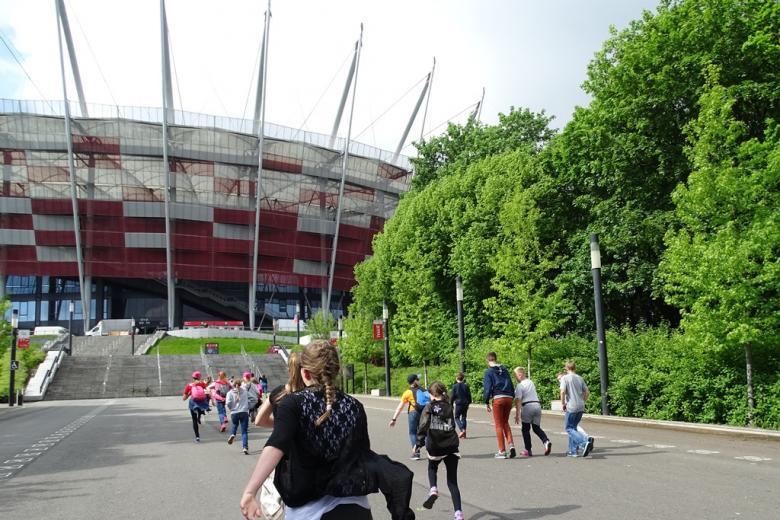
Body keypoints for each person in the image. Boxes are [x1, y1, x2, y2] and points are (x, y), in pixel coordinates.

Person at [240, 340, 375, 519]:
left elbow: (276, 445)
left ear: (304, 372)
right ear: (336, 371)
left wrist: (250, 491)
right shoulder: (355, 406)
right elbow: (362, 455)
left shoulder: (294, 402)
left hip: (311, 510)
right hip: (356, 507)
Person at [417, 381, 463, 520]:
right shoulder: (449, 406)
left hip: (436, 446)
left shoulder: (429, 407)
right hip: (451, 445)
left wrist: (419, 443)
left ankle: (433, 489)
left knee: (432, 468)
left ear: (431, 394)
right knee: (452, 482)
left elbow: (424, 425)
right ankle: (458, 514)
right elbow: (452, 425)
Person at [255, 352, 304, 429]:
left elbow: (259, 421)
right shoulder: (313, 394)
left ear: (288, 370)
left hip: (282, 438)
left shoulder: (278, 392)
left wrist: (281, 424)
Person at [482, 352, 516, 458]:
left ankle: (502, 451)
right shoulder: (505, 369)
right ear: (496, 359)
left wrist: (486, 401)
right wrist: (512, 397)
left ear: (487, 361)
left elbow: (487, 388)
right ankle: (511, 445)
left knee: (498, 425)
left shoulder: (489, 372)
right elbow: (510, 383)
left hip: (498, 398)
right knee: (505, 422)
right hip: (509, 398)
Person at [513, 367, 551, 457]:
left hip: (527, 407)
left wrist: (517, 414)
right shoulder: (531, 382)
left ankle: (528, 450)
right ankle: (546, 441)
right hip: (537, 406)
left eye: (515, 375)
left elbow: (518, 400)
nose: (515, 377)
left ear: (520, 374)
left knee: (525, 429)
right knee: (536, 428)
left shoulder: (520, 385)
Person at [560, 361, 593, 457]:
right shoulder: (580, 378)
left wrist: (562, 404)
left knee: (569, 428)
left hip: (571, 405)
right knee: (573, 428)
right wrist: (583, 400)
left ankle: (584, 442)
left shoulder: (565, 378)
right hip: (580, 406)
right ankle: (573, 451)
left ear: (566, 368)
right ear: (575, 368)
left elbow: (562, 392)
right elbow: (587, 392)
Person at [389, 374, 423, 460]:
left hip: (413, 413)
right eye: (418, 379)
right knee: (424, 432)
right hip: (424, 413)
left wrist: (394, 419)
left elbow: (400, 407)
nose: (419, 380)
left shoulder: (407, 393)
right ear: (415, 381)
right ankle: (432, 450)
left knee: (413, 433)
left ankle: (416, 453)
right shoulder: (423, 390)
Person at [182, 371, 209, 442]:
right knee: (201, 407)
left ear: (192, 377)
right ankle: (201, 412)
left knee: (194, 420)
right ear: (200, 377)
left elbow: (184, 398)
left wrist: (189, 393)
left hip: (193, 403)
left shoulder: (189, 385)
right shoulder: (202, 384)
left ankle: (197, 437)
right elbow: (208, 391)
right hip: (202, 402)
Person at [227, 379, 251, 455]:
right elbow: (252, 399)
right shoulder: (245, 391)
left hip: (234, 412)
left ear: (233, 385)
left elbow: (228, 403)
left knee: (234, 425)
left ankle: (233, 434)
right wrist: (248, 406)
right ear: (240, 384)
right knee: (244, 431)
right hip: (244, 412)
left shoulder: (230, 393)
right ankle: (245, 447)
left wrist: (231, 408)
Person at [450, 373, 472, 439]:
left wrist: (451, 404)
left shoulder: (455, 386)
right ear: (463, 378)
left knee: (456, 417)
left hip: (459, 404)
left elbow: (453, 396)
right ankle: (464, 433)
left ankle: (462, 429)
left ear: (456, 378)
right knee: (464, 417)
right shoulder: (466, 386)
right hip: (465, 403)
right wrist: (469, 403)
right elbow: (469, 395)